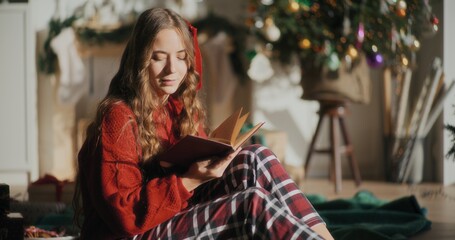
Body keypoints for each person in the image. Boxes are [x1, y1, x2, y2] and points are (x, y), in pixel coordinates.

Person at [73, 7, 334, 240]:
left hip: (169, 214)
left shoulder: (176, 106)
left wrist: (218, 160)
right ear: (140, 61)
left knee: (258, 157)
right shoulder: (118, 116)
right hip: (128, 234)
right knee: (250, 204)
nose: (172, 69)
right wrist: (190, 179)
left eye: (181, 56)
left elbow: (199, 175)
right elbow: (125, 216)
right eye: (158, 57)